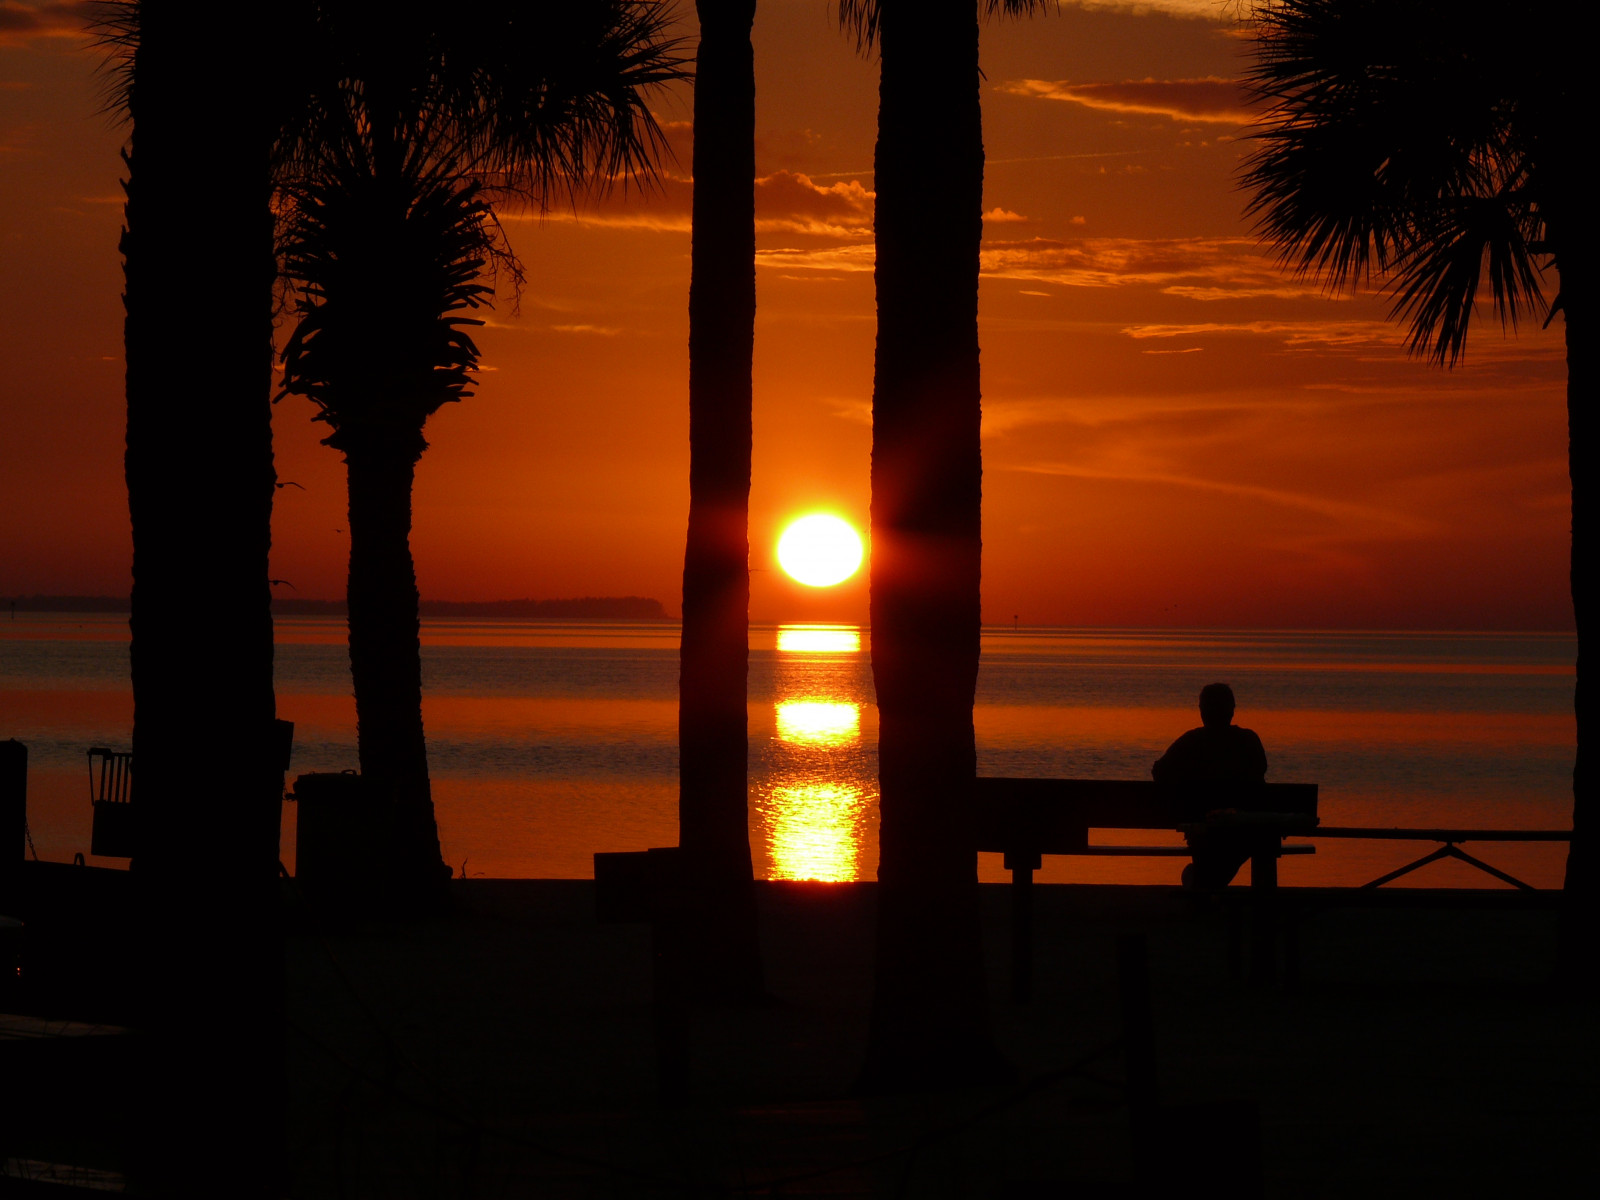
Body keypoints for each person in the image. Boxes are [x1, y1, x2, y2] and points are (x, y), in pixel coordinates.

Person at [1153, 682, 1267, 889]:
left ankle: (1200, 884)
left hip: (1202, 827)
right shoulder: (1248, 741)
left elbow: (1159, 772)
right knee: (1242, 840)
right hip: (1243, 832)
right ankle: (1203, 884)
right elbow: (1260, 772)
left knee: (1208, 847)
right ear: (1232, 710)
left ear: (1202, 711)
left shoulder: (1191, 741)